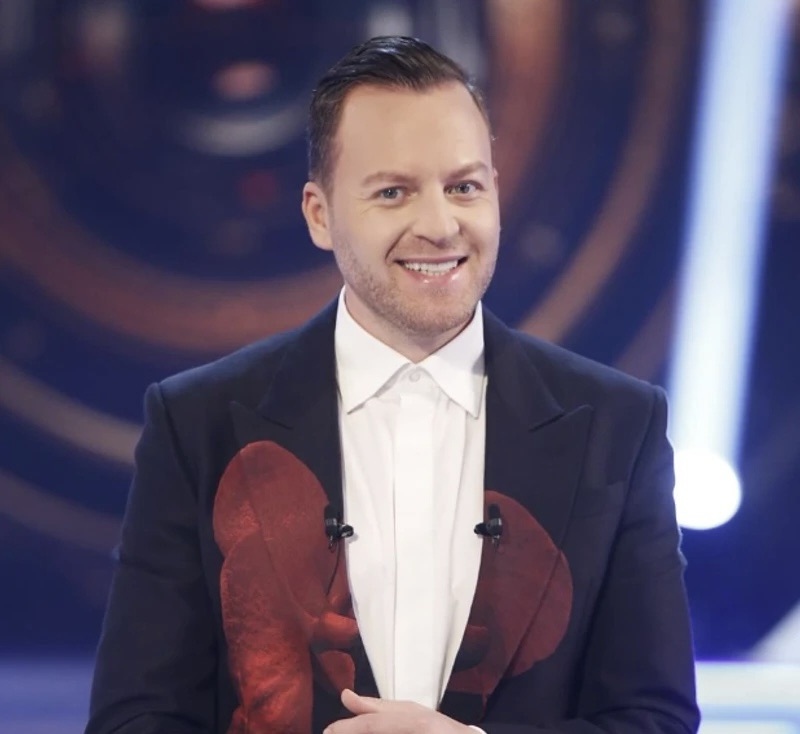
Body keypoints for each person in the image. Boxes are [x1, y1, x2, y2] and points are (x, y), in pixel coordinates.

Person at [85, 36, 700, 734]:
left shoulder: (617, 426)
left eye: (464, 186)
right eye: (393, 192)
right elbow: (134, 719)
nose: (439, 226)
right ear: (319, 215)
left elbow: (654, 719)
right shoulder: (197, 424)